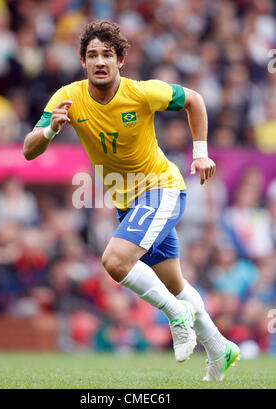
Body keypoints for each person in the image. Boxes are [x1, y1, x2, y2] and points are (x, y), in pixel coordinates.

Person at [23, 20, 240, 381]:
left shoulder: (142, 93)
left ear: (120, 60)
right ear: (82, 61)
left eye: (107, 54)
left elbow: (195, 100)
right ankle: (219, 348)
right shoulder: (67, 97)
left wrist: (200, 152)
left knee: (114, 260)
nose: (100, 62)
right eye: (92, 55)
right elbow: (30, 150)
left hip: (162, 189)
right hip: (129, 203)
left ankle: (176, 315)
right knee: (175, 284)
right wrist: (50, 129)